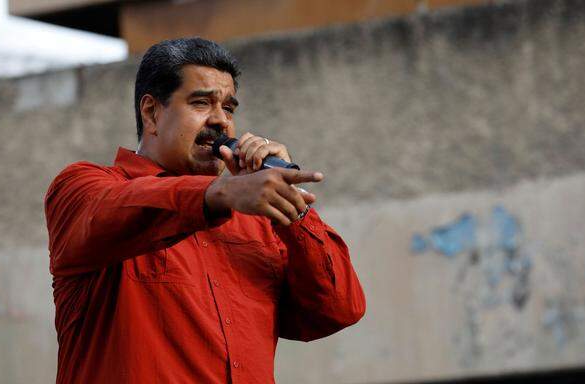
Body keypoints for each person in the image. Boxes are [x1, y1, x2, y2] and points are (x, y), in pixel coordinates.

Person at [44, 37, 365, 383]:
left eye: (228, 108)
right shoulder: (82, 186)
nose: (221, 121)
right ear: (151, 112)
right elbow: (110, 213)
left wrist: (293, 210)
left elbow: (337, 309)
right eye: (201, 103)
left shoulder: (255, 216)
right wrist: (220, 193)